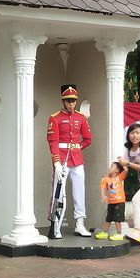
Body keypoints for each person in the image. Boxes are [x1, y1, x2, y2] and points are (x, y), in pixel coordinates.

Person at [47, 85, 92, 239]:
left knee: (80, 192)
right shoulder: (55, 117)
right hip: (62, 160)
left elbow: (88, 139)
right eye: (68, 101)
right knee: (58, 193)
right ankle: (57, 225)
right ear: (63, 101)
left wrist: (77, 147)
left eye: (73, 101)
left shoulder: (81, 117)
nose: (71, 103)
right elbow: (53, 141)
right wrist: (56, 163)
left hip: (77, 159)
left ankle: (80, 224)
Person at [95, 162, 128, 241]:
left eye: (112, 167)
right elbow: (102, 186)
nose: (110, 168)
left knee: (117, 219)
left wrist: (122, 162)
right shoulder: (106, 179)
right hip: (111, 202)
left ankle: (119, 234)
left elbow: (126, 170)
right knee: (108, 218)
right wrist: (103, 195)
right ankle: (105, 233)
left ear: (117, 170)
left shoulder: (119, 177)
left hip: (119, 201)